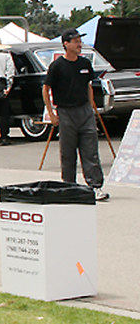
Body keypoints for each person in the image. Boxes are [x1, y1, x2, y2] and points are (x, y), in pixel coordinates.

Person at [42, 28, 109, 201]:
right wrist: (51, 113)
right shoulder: (57, 66)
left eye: (80, 41)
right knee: (68, 152)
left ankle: (95, 186)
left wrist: (92, 106)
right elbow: (46, 88)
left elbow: (88, 85)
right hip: (65, 112)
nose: (79, 44)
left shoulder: (85, 63)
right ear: (66, 44)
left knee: (90, 150)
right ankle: (69, 186)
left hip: (84, 111)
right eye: (76, 41)